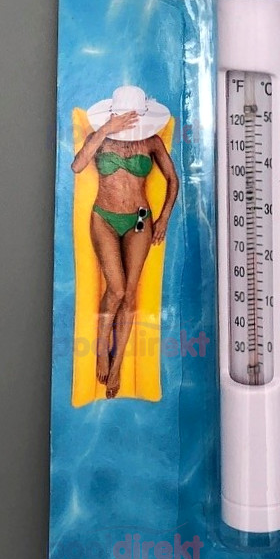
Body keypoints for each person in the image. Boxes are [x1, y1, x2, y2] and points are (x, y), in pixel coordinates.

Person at [72, 87, 179, 398]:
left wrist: (164, 218)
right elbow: (77, 166)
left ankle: (117, 363)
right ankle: (101, 350)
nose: (131, 122)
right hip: (104, 218)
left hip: (140, 220)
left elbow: (173, 179)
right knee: (116, 289)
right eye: (125, 117)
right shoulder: (101, 137)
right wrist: (106, 128)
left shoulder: (152, 141)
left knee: (129, 293)